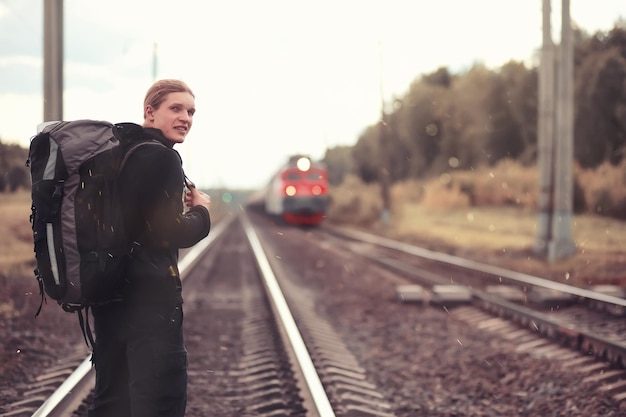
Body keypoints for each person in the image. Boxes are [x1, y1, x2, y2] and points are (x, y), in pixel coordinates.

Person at [88, 79, 212, 417]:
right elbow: (167, 232)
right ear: (150, 112)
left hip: (107, 294)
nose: (186, 117)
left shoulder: (116, 152)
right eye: (176, 108)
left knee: (111, 401)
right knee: (160, 402)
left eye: (191, 111)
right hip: (151, 300)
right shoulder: (162, 159)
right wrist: (201, 213)